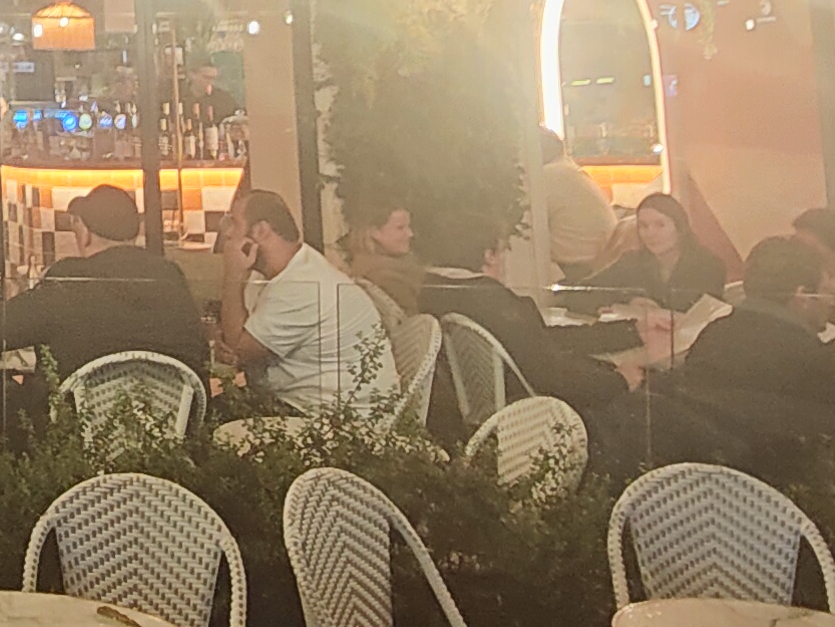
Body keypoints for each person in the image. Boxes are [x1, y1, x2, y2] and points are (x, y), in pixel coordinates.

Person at [415, 218, 641, 465]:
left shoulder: (436, 292)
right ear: (489, 256)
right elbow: (551, 373)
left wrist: (627, 332)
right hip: (541, 419)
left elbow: (539, 339)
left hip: (489, 415)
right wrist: (618, 381)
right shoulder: (493, 301)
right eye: (503, 250)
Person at [217, 189, 400, 424]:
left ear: (261, 230)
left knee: (206, 413)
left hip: (338, 419)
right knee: (213, 401)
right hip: (308, 403)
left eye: (234, 223)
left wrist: (232, 274)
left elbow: (239, 349)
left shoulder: (300, 285)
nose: (227, 233)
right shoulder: (286, 272)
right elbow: (241, 345)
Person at [7, 183, 210, 377]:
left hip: (77, 402)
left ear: (85, 234)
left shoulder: (69, 277)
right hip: (172, 401)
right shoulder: (170, 275)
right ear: (135, 232)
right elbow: (201, 352)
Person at [666, 234, 835, 464]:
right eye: (826, 290)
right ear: (803, 295)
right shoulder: (816, 362)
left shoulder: (713, 335)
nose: (830, 300)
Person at [589, 190, 725, 319]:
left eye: (660, 225)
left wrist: (657, 312)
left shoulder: (709, 266)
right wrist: (629, 301)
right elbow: (580, 293)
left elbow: (707, 315)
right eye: (643, 226)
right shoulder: (630, 262)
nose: (650, 233)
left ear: (680, 229)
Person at [536, 128, 618, 278]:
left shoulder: (547, 176)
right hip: (601, 264)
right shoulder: (568, 169)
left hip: (576, 271)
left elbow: (524, 229)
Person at [342, 196, 426, 325]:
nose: (410, 234)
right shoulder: (387, 278)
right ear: (374, 232)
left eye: (408, 227)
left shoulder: (365, 267)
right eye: (400, 228)